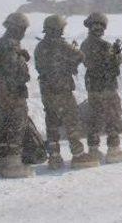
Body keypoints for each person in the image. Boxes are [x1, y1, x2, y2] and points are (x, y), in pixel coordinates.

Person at [34, 15, 99, 169]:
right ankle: (78, 155)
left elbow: (40, 67)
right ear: (58, 29)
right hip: (62, 90)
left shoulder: (40, 47)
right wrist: (70, 61)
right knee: (72, 121)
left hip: (47, 91)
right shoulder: (62, 45)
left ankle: (54, 157)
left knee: (52, 123)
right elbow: (80, 56)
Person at [80, 12, 122, 164]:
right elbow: (111, 66)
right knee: (112, 117)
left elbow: (90, 64)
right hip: (106, 86)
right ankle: (113, 149)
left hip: (93, 86)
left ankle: (93, 149)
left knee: (94, 117)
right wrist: (118, 56)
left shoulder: (85, 44)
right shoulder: (104, 45)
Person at [0, 12, 34, 178]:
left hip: (0, 92)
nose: (23, 33)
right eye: (23, 29)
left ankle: (2, 162)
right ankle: (13, 164)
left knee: (2, 124)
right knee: (16, 124)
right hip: (13, 92)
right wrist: (23, 63)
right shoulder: (11, 45)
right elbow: (17, 72)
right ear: (17, 28)